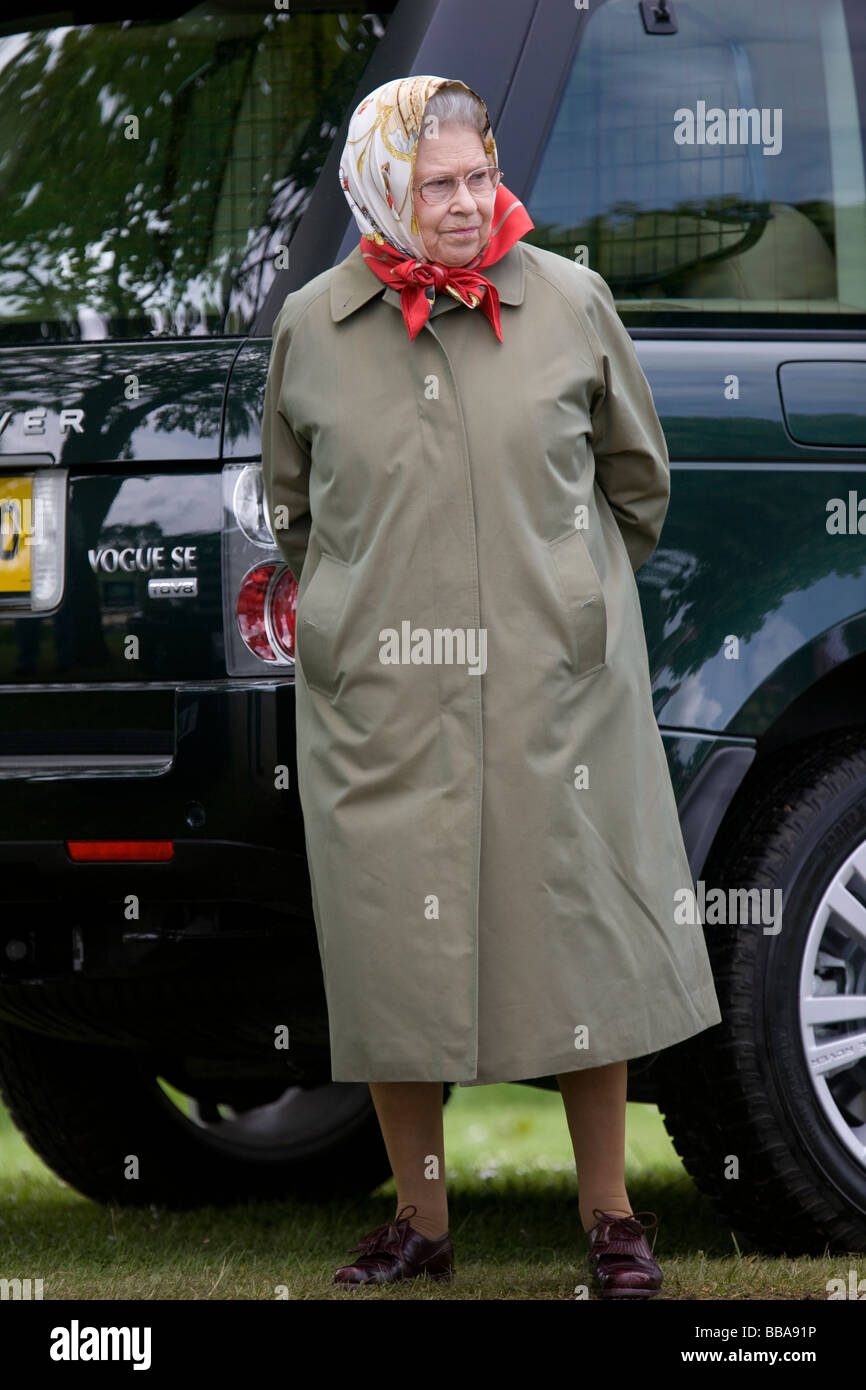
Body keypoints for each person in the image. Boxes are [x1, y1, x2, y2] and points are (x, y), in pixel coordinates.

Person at [261, 74, 722, 1298]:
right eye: (436, 186)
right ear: (380, 191)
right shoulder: (314, 323)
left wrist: (564, 598)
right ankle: (420, 1225)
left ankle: (612, 1220)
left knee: (577, 942)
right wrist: (359, 618)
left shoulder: (570, 299)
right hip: (381, 702)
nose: (467, 205)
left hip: (555, 691)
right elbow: (294, 512)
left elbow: (636, 484)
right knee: (389, 955)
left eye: (479, 178)